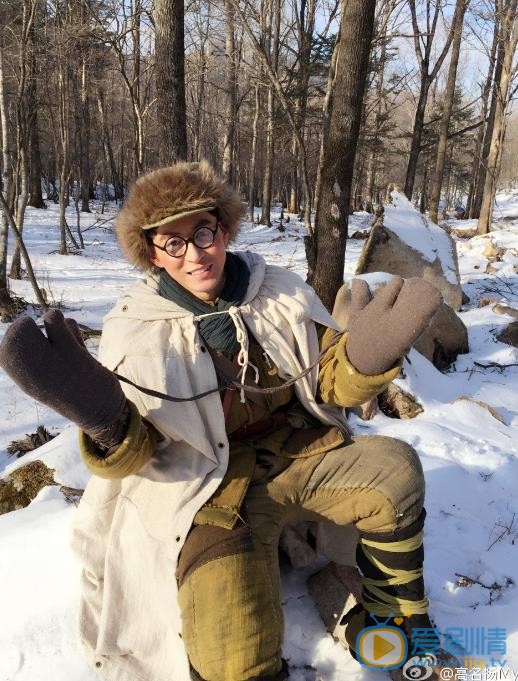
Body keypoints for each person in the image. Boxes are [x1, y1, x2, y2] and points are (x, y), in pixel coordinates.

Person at [0, 162, 456, 681]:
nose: (194, 254)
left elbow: (325, 384)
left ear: (223, 228)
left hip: (299, 457)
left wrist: (362, 361)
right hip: (210, 492)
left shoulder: (278, 290)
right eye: (172, 243)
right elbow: (143, 453)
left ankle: (395, 623)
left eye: (202, 232)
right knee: (233, 655)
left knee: (393, 470)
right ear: (152, 253)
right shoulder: (135, 324)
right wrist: (106, 424)